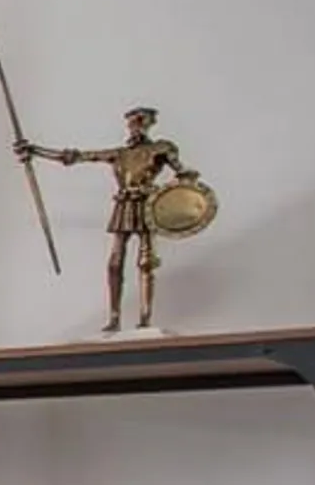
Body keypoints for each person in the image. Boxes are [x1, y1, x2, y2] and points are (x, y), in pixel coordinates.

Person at [20, 107, 203, 332]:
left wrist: (187, 181)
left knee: (146, 262)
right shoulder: (119, 154)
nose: (135, 127)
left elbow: (182, 172)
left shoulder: (160, 148)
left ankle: (145, 319)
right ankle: (115, 318)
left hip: (148, 204)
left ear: (148, 124)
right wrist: (35, 151)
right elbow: (75, 157)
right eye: (133, 122)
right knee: (115, 262)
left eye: (140, 122)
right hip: (124, 204)